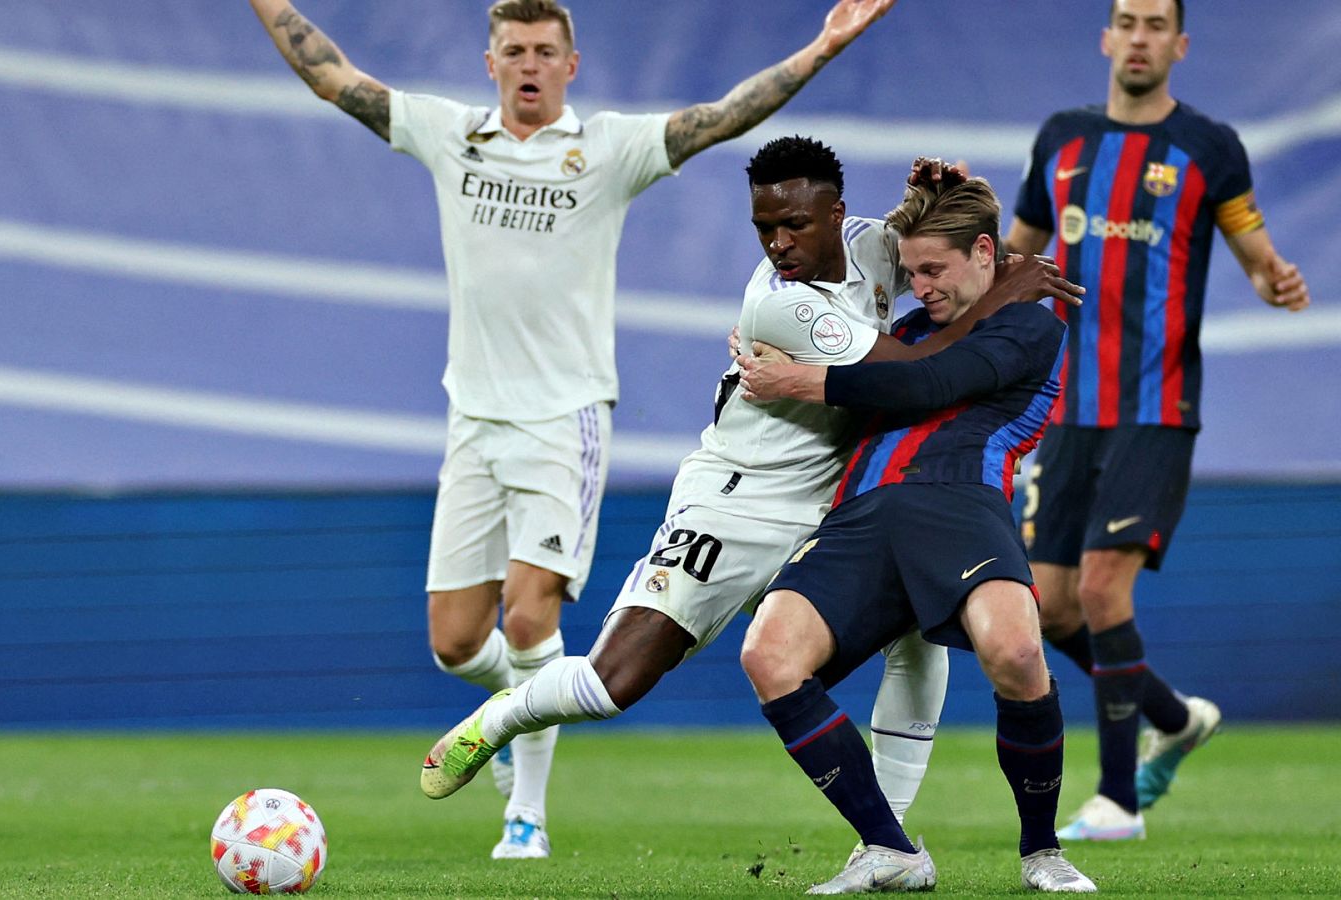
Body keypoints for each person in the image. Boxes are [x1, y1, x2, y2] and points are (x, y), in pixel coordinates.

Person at [247, 0, 898, 858]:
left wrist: (823, 46)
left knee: (529, 621)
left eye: (544, 50)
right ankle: (517, 703)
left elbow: (722, 117)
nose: (529, 63)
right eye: (514, 50)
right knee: (455, 644)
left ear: (570, 64)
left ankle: (526, 815)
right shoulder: (451, 137)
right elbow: (336, 80)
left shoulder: (607, 150)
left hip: (566, 417)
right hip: (472, 416)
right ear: (491, 64)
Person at [416, 137, 1083, 845]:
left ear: (837, 215)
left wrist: (952, 201)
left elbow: (953, 257)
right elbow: (914, 371)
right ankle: (503, 716)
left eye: (795, 224)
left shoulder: (880, 246)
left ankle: (887, 845)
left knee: (919, 636)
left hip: (836, 499)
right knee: (615, 682)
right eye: (765, 228)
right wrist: (1007, 291)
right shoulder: (780, 306)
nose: (779, 243)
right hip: (739, 498)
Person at [735, 173, 1096, 894]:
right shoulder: (898, 337)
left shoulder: (1032, 327)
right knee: (768, 656)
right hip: (861, 510)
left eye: (934, 269)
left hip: (961, 502)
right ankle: (889, 848)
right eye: (911, 270)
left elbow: (931, 384)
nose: (919, 285)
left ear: (985, 253)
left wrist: (805, 379)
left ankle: (1042, 851)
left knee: (1018, 652)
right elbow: (877, 368)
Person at [1002, 0, 1312, 841]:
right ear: (1107, 37)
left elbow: (1256, 255)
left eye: (1155, 25)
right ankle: (1173, 719)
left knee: (1103, 587)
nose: (1139, 38)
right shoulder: (1061, 139)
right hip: (1065, 408)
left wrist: (1275, 280)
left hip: (1155, 405)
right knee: (1052, 608)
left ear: (1180, 44)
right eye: (1128, 21)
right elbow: (1017, 254)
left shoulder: (1210, 148)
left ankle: (1119, 801)